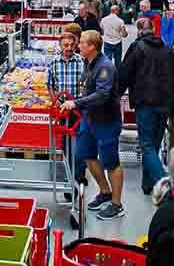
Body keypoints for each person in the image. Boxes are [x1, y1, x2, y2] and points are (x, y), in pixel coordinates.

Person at [61, 31, 126, 220]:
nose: (78, 45)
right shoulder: (88, 62)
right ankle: (105, 191)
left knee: (111, 163)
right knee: (86, 154)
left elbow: (102, 94)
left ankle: (117, 204)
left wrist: (76, 103)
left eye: (82, 42)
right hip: (89, 118)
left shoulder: (105, 67)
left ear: (92, 46)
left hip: (106, 121)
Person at [118, 18, 174, 195]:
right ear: (153, 29)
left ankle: (164, 182)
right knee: (154, 144)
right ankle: (147, 185)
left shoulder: (136, 48)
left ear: (139, 30)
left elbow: (124, 74)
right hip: (165, 103)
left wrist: (117, 94)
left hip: (145, 102)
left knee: (146, 145)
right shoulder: (167, 49)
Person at [48, 32, 85, 98]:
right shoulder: (54, 62)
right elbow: (50, 85)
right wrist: (55, 100)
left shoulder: (82, 61)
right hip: (60, 102)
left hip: (78, 102)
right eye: (66, 45)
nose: (69, 48)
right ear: (60, 45)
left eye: (72, 45)